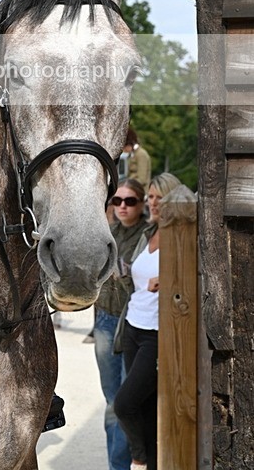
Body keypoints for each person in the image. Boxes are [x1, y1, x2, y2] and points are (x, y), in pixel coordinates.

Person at [113, 173, 183, 470]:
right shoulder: (149, 233)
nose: (153, 203)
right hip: (132, 327)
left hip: (156, 334)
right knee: (144, 407)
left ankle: (139, 459)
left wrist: (168, 278)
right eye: (151, 197)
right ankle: (151, 462)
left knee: (124, 404)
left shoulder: (182, 236)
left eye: (159, 197)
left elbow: (192, 277)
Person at [94, 179, 148, 470]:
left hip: (132, 325)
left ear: (142, 204)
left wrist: (125, 276)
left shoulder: (149, 235)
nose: (123, 207)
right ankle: (116, 465)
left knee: (127, 403)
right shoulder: (107, 234)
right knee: (112, 401)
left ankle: (129, 463)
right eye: (117, 201)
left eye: (129, 201)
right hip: (104, 319)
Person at [123, 128, 151, 193]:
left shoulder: (141, 154)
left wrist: (126, 185)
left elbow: (142, 179)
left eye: (124, 146)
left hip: (140, 192)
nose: (123, 150)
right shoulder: (133, 154)